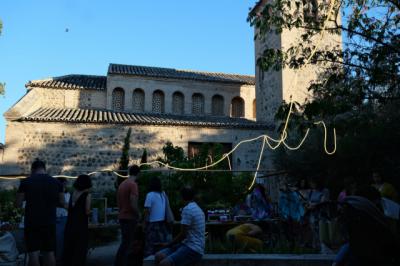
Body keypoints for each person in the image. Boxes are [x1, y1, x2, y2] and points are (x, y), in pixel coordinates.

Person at [16, 159, 66, 266]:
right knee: (49, 252)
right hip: (50, 221)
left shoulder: (26, 182)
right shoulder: (57, 183)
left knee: (33, 253)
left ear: (32, 169)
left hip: (32, 222)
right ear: (44, 168)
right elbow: (62, 202)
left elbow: (18, 203)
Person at [155, 186, 205, 266]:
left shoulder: (188, 209)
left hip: (193, 249)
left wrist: (168, 244)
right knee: (159, 256)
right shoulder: (197, 207)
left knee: (164, 263)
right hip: (186, 244)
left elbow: (183, 234)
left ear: (182, 197)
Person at [62, 174, 92, 266]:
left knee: (70, 249)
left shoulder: (73, 193)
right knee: (80, 251)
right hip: (81, 226)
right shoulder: (87, 195)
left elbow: (69, 207)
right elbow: (87, 211)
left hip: (70, 224)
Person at [115, 165, 141, 266]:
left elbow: (118, 203)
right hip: (130, 218)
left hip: (122, 216)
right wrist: (138, 214)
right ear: (138, 173)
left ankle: (118, 263)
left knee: (124, 244)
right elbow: (133, 202)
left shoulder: (122, 184)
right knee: (128, 245)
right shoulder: (133, 185)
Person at [143, 176, 173, 256]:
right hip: (162, 224)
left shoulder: (150, 195)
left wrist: (144, 224)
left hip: (152, 225)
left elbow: (147, 212)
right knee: (161, 249)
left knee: (150, 249)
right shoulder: (163, 194)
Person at [55, 177, 70, 263]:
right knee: (58, 239)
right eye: (64, 183)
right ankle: (58, 259)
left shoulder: (67, 194)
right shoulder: (54, 194)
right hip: (57, 217)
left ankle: (61, 258)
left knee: (62, 239)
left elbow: (67, 205)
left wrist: (63, 204)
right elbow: (64, 205)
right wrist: (63, 204)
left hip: (64, 217)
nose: (66, 185)